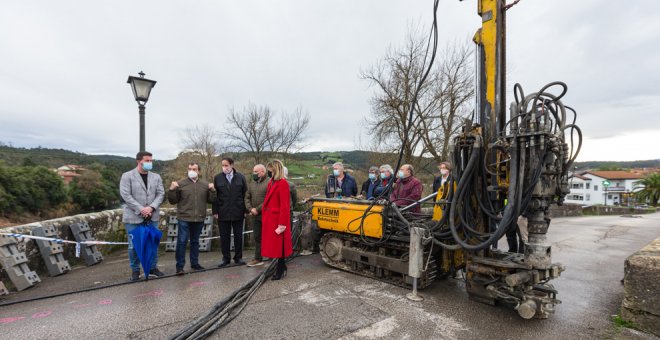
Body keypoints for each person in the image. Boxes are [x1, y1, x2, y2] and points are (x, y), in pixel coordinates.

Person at [119, 151, 165, 281]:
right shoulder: (127, 176)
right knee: (133, 246)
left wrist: (151, 208)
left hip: (152, 215)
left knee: (152, 243)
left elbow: (161, 194)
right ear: (139, 161)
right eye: (147, 160)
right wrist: (141, 209)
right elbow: (126, 195)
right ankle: (135, 270)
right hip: (133, 217)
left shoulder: (156, 177)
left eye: (151, 160)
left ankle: (152, 268)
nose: (150, 163)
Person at [167, 162, 215, 275]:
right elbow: (173, 201)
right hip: (184, 217)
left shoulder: (204, 184)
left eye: (194, 169)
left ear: (199, 171)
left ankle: (195, 264)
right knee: (182, 242)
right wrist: (172, 189)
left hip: (199, 218)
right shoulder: (180, 184)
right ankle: (179, 267)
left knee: (195, 242)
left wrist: (213, 190)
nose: (191, 171)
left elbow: (212, 200)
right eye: (189, 169)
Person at [212, 157, 248, 267]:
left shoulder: (241, 177)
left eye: (226, 165)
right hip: (223, 212)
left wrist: (245, 210)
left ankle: (238, 258)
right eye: (223, 165)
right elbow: (215, 196)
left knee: (238, 236)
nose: (224, 167)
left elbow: (245, 195)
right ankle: (226, 258)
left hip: (238, 212)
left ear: (232, 165)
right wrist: (215, 211)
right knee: (224, 237)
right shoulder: (217, 178)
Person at [261, 160, 293, 280]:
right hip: (270, 218)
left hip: (277, 220)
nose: (268, 172)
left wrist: (282, 224)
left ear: (275, 170)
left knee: (280, 246)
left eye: (270, 170)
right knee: (276, 246)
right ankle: (281, 266)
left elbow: (285, 205)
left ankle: (280, 268)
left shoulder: (283, 183)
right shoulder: (271, 182)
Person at [244, 164, 269, 267]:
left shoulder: (269, 183)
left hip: (267, 215)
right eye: (253, 171)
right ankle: (258, 258)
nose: (254, 173)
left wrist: (257, 209)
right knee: (257, 237)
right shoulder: (252, 184)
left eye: (256, 172)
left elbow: (269, 199)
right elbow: (247, 197)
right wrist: (250, 209)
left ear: (262, 172)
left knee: (269, 237)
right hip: (255, 216)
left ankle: (273, 257)